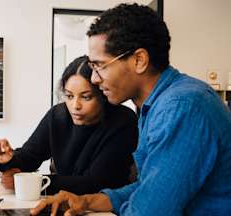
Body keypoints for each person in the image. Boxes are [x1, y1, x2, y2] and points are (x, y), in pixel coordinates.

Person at [30, 3, 231, 216]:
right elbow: (147, 189)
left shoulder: (182, 107)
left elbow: (150, 211)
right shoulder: (155, 107)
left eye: (100, 66)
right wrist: (84, 201)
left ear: (139, 60)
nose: (95, 79)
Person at [0, 55, 138, 195]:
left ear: (102, 95)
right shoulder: (58, 115)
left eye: (86, 97)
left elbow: (96, 182)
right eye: (69, 96)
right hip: (65, 203)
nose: (75, 106)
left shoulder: (123, 121)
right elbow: (30, 156)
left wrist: (33, 183)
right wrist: (8, 160)